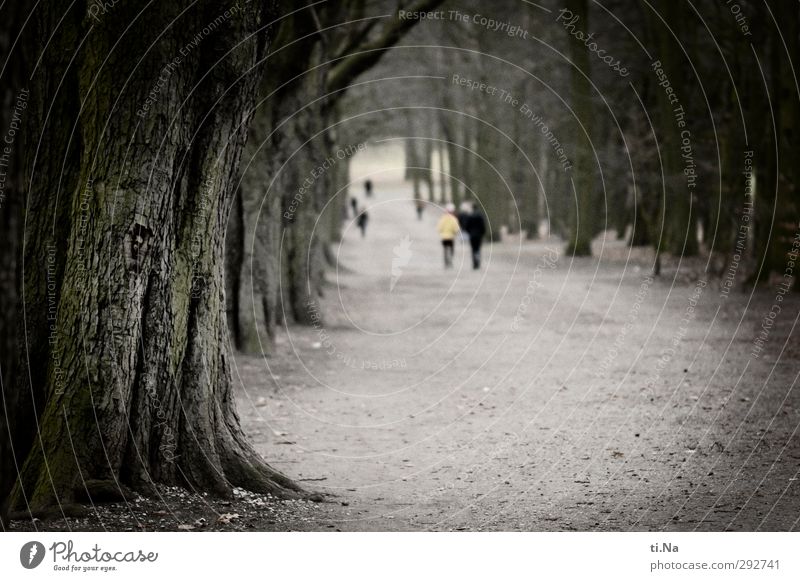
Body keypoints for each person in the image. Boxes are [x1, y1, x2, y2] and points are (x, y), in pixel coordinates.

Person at [436, 203, 460, 268]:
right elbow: (456, 228)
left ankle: (446, 262)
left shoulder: (442, 218)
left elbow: (439, 228)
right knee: (452, 249)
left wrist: (441, 232)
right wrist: (455, 232)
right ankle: (450, 260)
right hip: (451, 237)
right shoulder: (454, 219)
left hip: (444, 237)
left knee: (445, 249)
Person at [464, 203, 486, 269]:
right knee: (478, 249)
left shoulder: (470, 216)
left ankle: (474, 263)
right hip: (479, 235)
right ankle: (478, 261)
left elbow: (467, 226)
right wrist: (482, 233)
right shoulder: (480, 216)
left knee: (473, 249)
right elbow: (483, 226)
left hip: (472, 235)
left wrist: (469, 232)